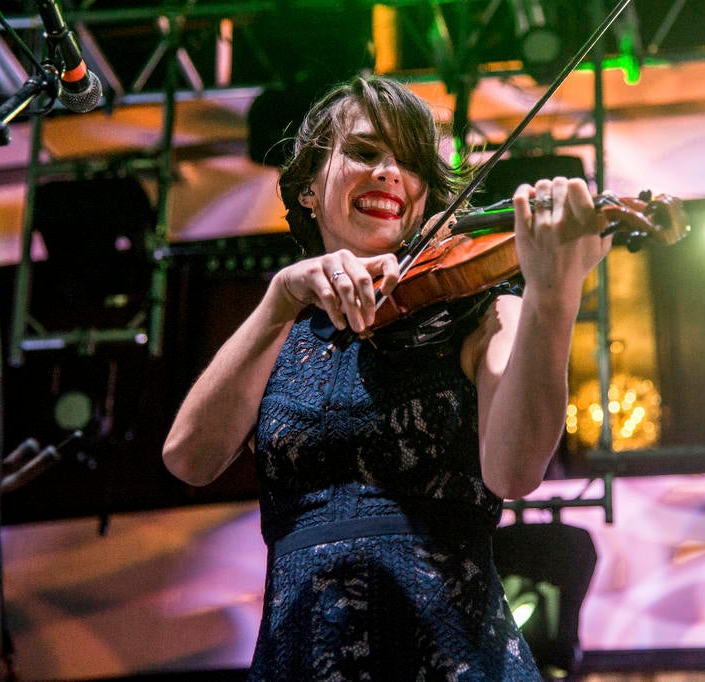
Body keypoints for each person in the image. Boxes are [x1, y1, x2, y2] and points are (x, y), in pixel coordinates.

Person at [162, 74, 610, 680]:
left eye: (411, 163)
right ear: (308, 191)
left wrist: (553, 297)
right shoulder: (280, 334)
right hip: (303, 653)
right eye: (365, 153)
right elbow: (189, 459)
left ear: (426, 200)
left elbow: (514, 470)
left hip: (450, 653)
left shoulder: (485, 314)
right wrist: (277, 300)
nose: (389, 173)